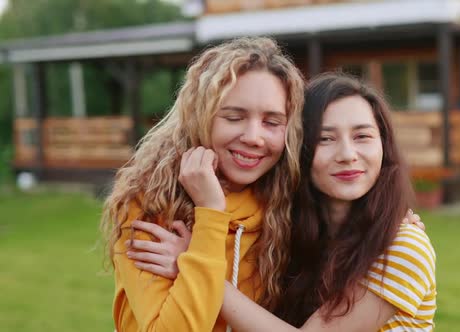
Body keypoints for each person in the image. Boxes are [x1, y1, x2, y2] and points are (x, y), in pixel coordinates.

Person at [129, 73, 435, 331]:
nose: (347, 154)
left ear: (384, 146)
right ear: (298, 150)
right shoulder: (292, 231)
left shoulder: (403, 247)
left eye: (362, 136)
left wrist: (193, 265)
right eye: (325, 139)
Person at [100, 36, 306, 331]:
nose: (253, 137)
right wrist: (210, 213)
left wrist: (189, 263)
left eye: (272, 123)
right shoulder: (150, 203)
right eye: (234, 117)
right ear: (200, 117)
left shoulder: (288, 207)